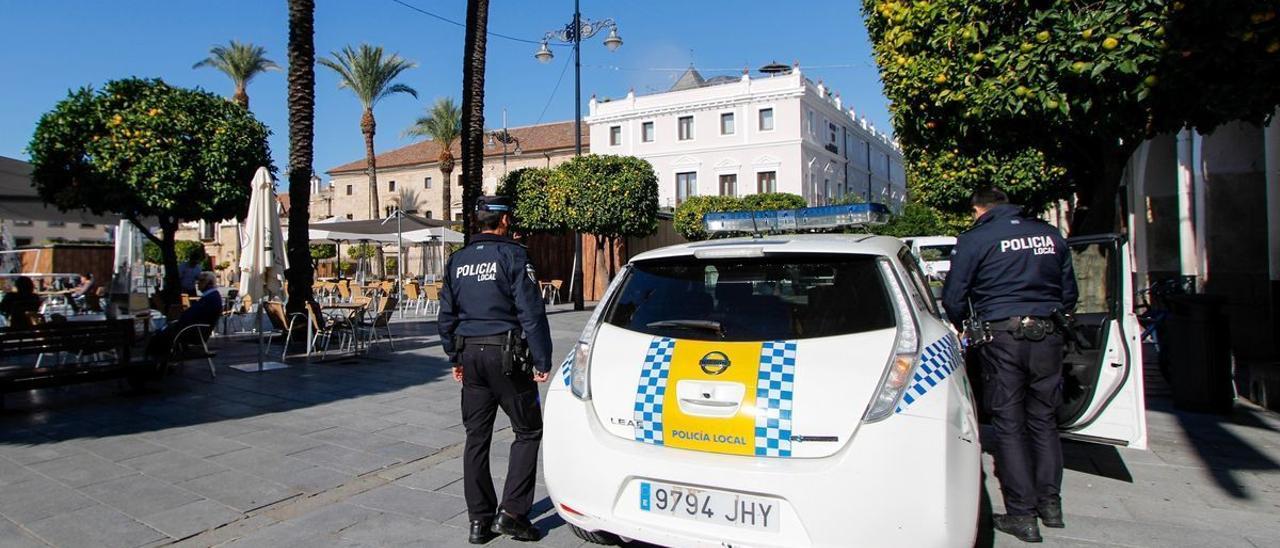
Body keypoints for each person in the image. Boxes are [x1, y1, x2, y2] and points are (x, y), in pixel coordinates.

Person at [942, 188, 1078, 543]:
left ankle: (1022, 514)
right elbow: (1069, 294)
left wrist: (964, 324)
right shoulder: (1050, 235)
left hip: (1001, 337)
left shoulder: (977, 238)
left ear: (978, 208)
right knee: (1044, 421)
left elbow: (954, 296)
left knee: (1010, 424)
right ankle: (1051, 506)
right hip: (1047, 334)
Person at [437, 195, 553, 544]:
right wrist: (542, 359)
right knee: (528, 430)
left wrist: (454, 358)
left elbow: (446, 316)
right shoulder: (514, 255)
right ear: (503, 221)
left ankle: (479, 521)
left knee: (476, 438)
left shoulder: (457, 261)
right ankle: (513, 514)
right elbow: (531, 311)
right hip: (505, 355)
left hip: (470, 355)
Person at [147, 271, 222, 366]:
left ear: (208, 283)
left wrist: (180, 320)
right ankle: (160, 364)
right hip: (192, 329)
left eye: (200, 281)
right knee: (161, 334)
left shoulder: (210, 298)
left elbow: (192, 314)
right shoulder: (211, 297)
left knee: (159, 336)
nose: (197, 284)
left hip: (193, 331)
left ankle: (156, 365)